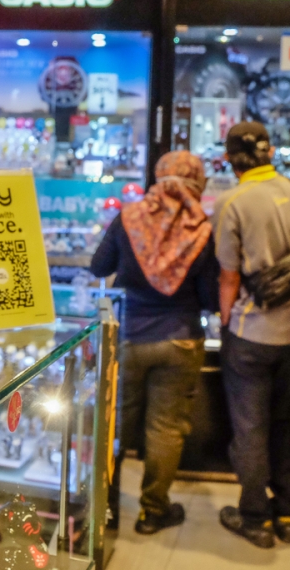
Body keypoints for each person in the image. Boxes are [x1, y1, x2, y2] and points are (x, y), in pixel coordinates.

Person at [89, 150, 218, 535]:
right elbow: (211, 298)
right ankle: (152, 511)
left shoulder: (127, 219)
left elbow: (98, 267)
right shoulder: (203, 230)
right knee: (165, 428)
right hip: (180, 340)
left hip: (128, 336)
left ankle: (106, 508)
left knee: (116, 425)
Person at [213, 121, 290, 548]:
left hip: (251, 332)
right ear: (271, 152)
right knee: (283, 421)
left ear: (229, 158)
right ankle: (289, 513)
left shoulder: (232, 201)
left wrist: (227, 323)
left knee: (250, 428)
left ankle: (255, 517)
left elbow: (228, 276)